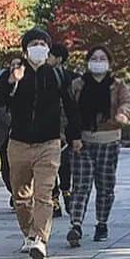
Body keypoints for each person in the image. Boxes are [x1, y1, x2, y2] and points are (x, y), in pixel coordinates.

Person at [0, 27, 81, 259]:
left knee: (44, 193)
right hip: (18, 142)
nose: (38, 47)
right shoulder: (14, 73)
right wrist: (11, 80)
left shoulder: (57, 75)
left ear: (48, 48)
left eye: (42, 43)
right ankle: (29, 233)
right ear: (25, 49)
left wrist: (74, 136)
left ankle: (39, 238)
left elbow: (71, 107)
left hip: (48, 143)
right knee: (21, 197)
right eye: (34, 44)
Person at [66, 47, 130, 247]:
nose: (98, 61)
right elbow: (69, 111)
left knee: (105, 185)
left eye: (102, 58)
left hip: (109, 139)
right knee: (80, 185)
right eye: (94, 58)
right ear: (87, 62)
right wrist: (72, 136)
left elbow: (127, 103)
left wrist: (123, 114)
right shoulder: (78, 85)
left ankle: (101, 222)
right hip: (83, 141)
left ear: (109, 63)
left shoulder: (117, 85)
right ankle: (76, 224)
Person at [48, 42, 76, 217]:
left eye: (50, 55)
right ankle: (54, 199)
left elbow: (73, 106)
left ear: (59, 59)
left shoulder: (70, 78)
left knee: (65, 165)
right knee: (47, 167)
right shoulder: (40, 76)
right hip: (47, 128)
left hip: (66, 129)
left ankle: (66, 190)